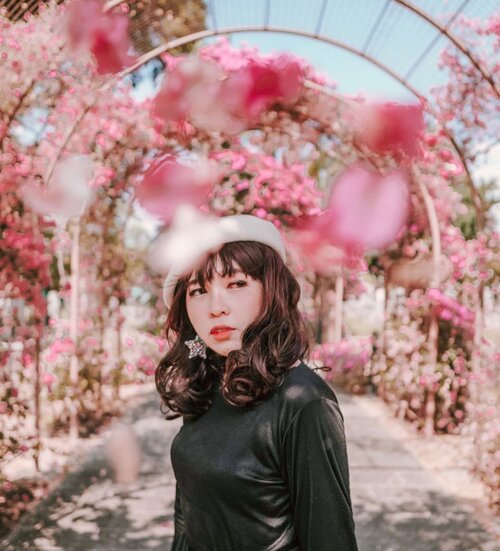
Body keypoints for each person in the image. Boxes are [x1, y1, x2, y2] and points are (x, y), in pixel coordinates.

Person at [155, 213, 359, 551]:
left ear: (271, 291)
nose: (216, 307)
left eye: (236, 284)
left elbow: (330, 538)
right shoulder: (205, 383)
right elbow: (189, 520)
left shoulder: (303, 400)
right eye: (198, 290)